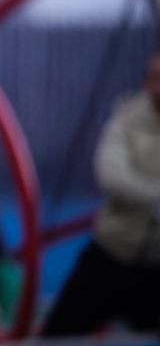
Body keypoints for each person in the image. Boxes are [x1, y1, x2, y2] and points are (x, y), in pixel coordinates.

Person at [42, 53, 160, 337]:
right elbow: (112, 177)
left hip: (155, 262)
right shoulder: (127, 119)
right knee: (60, 334)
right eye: (154, 78)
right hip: (114, 251)